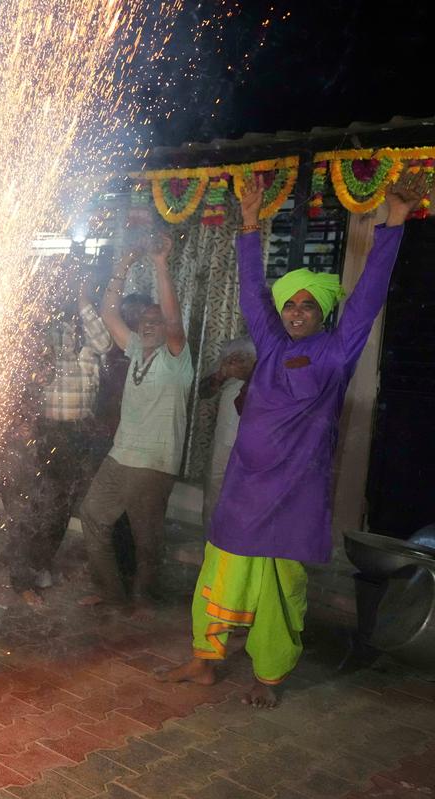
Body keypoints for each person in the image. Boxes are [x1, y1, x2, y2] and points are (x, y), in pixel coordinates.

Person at [159, 172, 425, 708]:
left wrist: (393, 223)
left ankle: (269, 677)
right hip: (243, 488)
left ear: (322, 311)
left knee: (281, 593)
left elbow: (370, 295)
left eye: (307, 305)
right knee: (221, 575)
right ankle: (206, 660)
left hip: (293, 496)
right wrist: (251, 221)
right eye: (290, 305)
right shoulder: (270, 342)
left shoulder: (337, 351)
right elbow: (252, 287)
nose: (296, 311)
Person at [78, 231, 193, 617]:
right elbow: (109, 314)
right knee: (93, 517)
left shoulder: (176, 358)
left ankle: (143, 597)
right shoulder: (135, 351)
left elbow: (174, 317)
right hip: (120, 455)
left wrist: (160, 264)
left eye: (156, 320)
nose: (148, 324)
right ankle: (113, 592)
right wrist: (124, 264)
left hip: (153, 462)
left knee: (147, 538)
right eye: (144, 319)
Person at [8, 259, 112, 607]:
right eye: (67, 284)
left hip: (80, 433)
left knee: (62, 508)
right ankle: (22, 578)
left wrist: (83, 300)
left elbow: (106, 342)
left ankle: (41, 566)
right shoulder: (46, 325)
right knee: (38, 507)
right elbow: (32, 365)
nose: (70, 290)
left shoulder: (89, 331)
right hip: (49, 431)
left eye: (77, 283)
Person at [198, 336, 256, 528]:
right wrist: (220, 375)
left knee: (248, 503)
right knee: (214, 499)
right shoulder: (236, 347)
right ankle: (210, 548)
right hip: (225, 438)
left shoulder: (284, 348)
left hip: (258, 443)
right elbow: (203, 392)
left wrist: (249, 372)